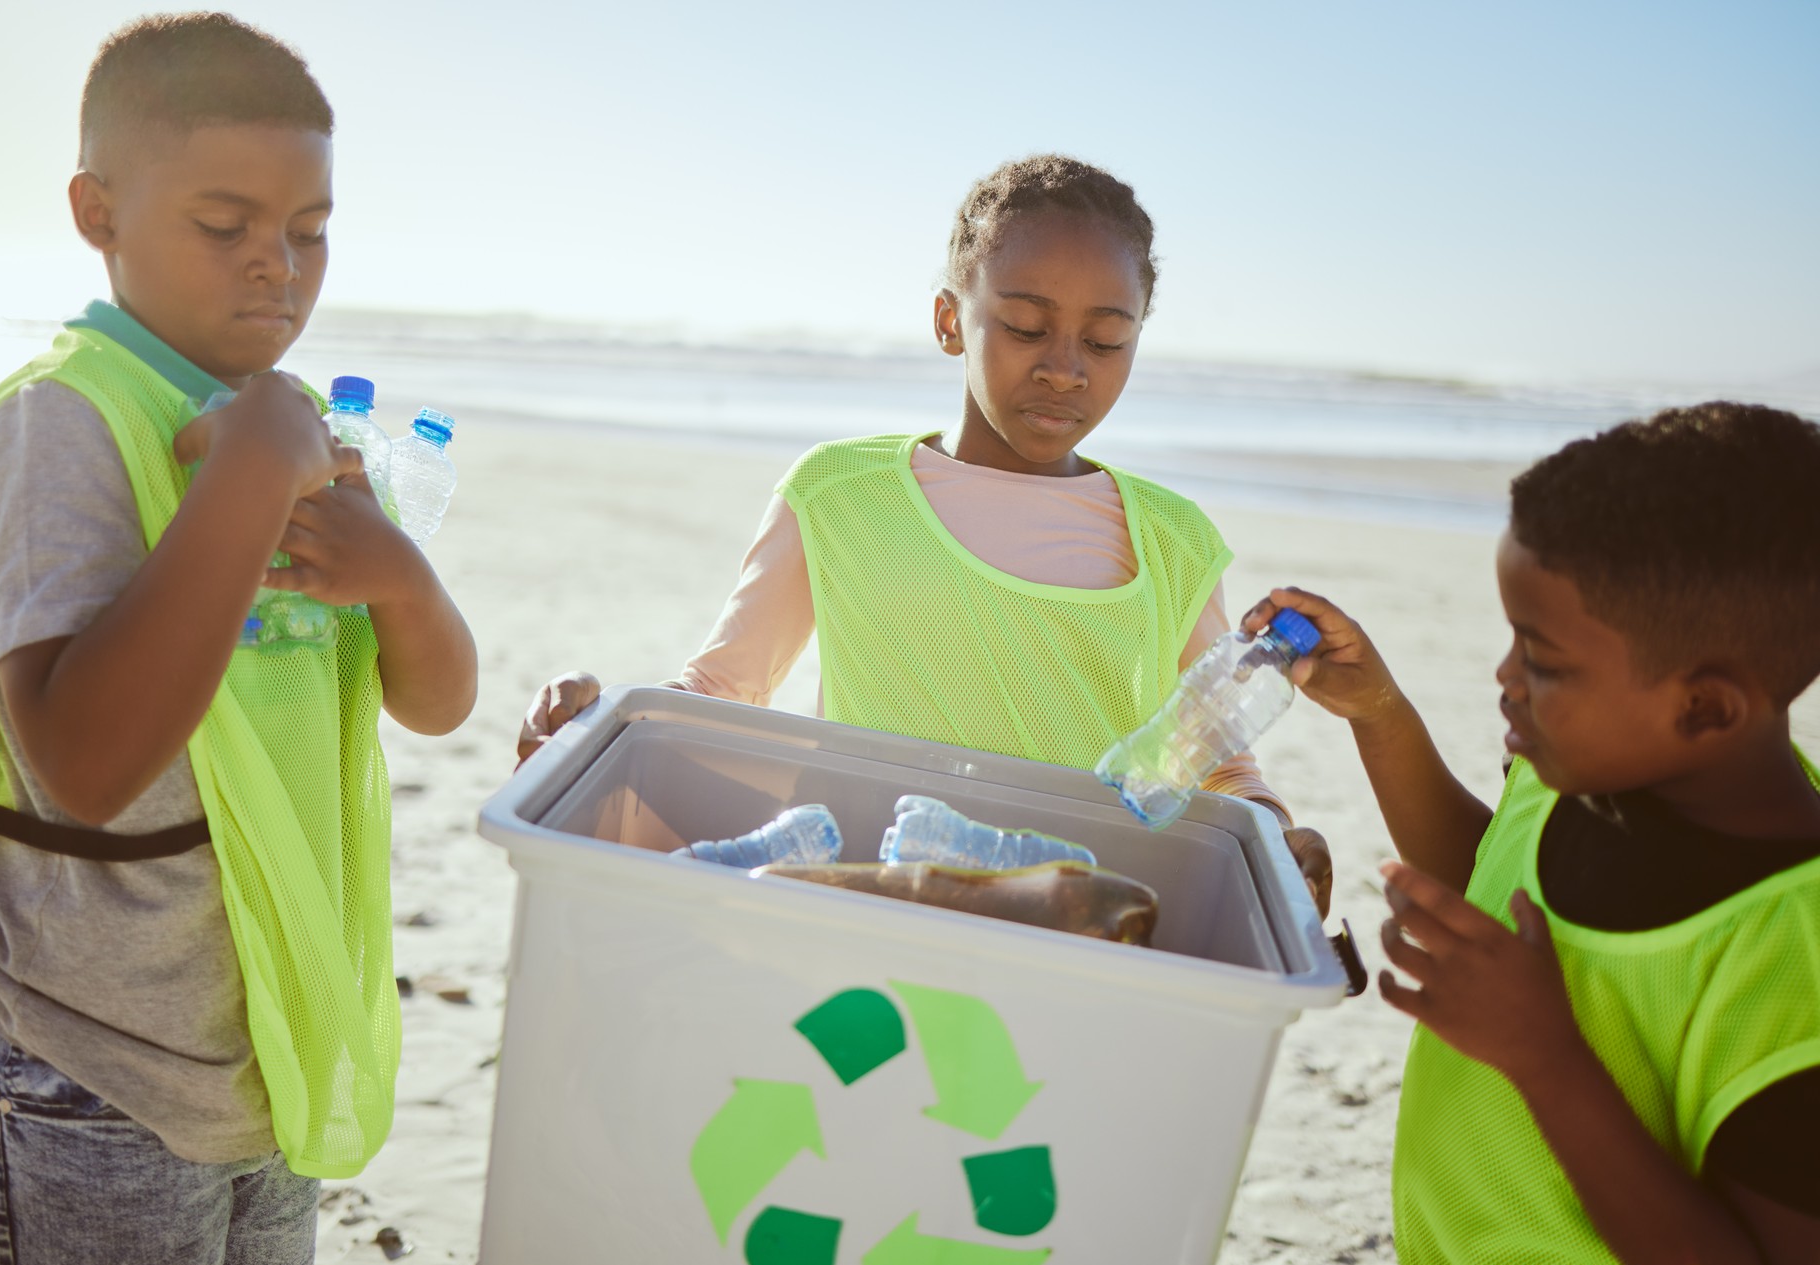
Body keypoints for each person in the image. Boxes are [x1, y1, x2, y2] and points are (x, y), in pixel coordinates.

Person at [0, 14, 477, 1265]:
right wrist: (247, 479)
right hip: (79, 1070)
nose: (278, 267)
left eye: (310, 231)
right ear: (96, 210)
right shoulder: (63, 426)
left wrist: (403, 581)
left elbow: (434, 703)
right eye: (227, 228)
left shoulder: (299, 427)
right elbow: (84, 765)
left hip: (260, 1051)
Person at [521, 154, 1333, 912]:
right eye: (1024, 325)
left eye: (1105, 340)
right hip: (858, 907)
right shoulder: (840, 496)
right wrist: (594, 728)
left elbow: (1219, 760)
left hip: (1077, 929)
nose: (1065, 367)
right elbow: (720, 692)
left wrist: (1275, 830)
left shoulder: (1173, 540)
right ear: (951, 320)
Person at [1243, 402, 1820, 1265]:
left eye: (1543, 661)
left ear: (1705, 705)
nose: (1505, 680)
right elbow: (1495, 879)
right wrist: (1380, 714)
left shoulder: (1793, 961)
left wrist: (1543, 1055)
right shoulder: (1574, 765)